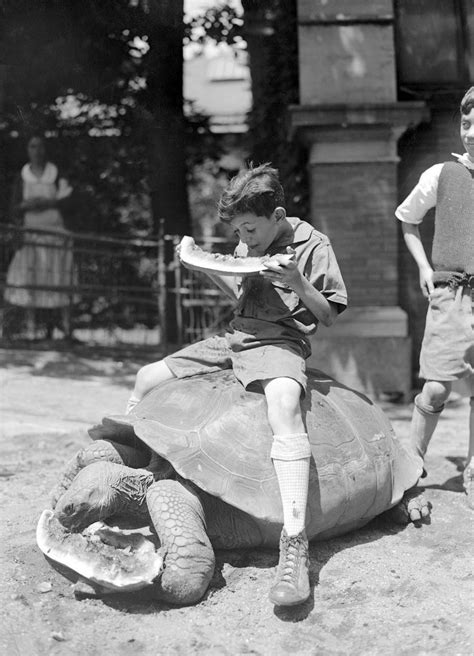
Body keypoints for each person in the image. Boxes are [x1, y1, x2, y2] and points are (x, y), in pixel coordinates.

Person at [127, 163, 347, 606]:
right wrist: (206, 265)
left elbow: (326, 316)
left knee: (284, 406)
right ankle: (142, 477)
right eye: (239, 232)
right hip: (236, 338)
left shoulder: (313, 245)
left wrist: (298, 282)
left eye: (250, 229)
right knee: (146, 376)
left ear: (278, 213)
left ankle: (294, 538)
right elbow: (241, 295)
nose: (244, 240)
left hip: (280, 341)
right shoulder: (251, 240)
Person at [396, 86, 474, 507]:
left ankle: (473, 470)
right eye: (466, 123)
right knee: (436, 390)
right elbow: (408, 220)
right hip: (452, 295)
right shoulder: (442, 174)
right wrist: (426, 268)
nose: (472, 132)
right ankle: (411, 462)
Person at [4, 134, 76, 339]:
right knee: (30, 279)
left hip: (55, 234)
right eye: (32, 146)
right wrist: (27, 206)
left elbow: (68, 201)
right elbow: (14, 207)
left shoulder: (57, 173)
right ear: (28, 150)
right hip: (31, 235)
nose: (37, 150)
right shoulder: (22, 176)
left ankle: (66, 330)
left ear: (46, 150)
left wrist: (47, 203)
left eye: (40, 146)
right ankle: (31, 329)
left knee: (60, 280)